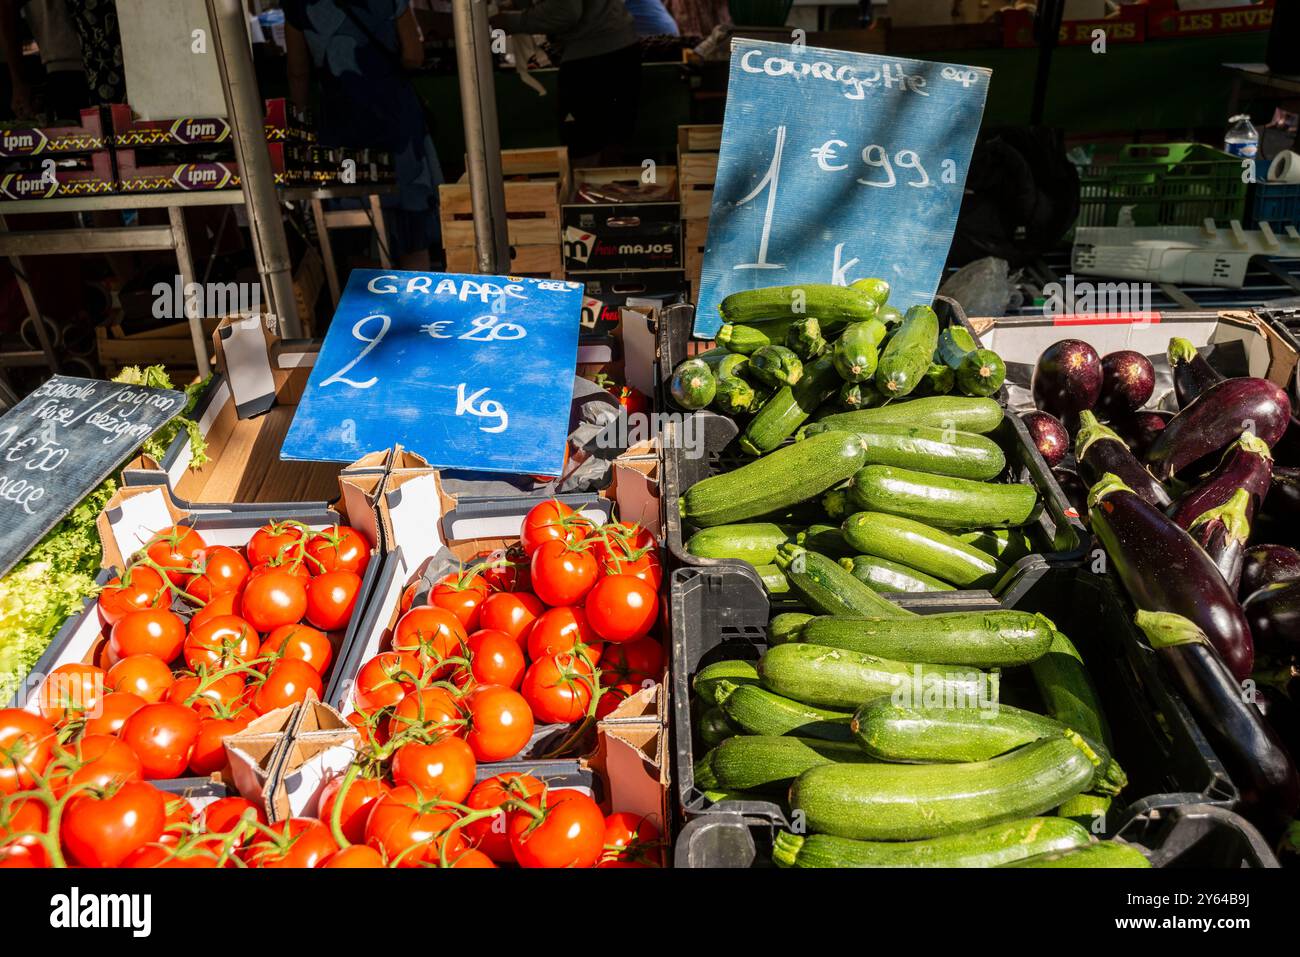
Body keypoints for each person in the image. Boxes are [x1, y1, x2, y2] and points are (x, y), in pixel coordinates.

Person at [283, 0, 443, 270]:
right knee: (411, 226)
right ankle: (419, 304)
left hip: (341, 125)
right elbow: (414, 55)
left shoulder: (298, 4)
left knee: (354, 224)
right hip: (396, 120)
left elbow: (298, 72)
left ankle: (367, 306)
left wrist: (297, 130)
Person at [490, 0, 640, 166]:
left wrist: (510, 22)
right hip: (618, 48)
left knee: (586, 159)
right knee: (610, 160)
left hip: (593, 59)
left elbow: (566, 12)